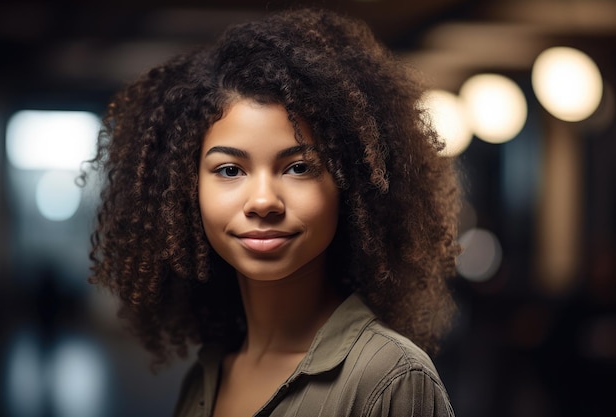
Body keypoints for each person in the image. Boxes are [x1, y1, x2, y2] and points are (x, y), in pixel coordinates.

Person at [86, 7, 460, 417]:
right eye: (230, 170)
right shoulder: (208, 376)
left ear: (352, 187)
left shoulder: (390, 379)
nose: (263, 201)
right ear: (185, 193)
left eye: (298, 167)